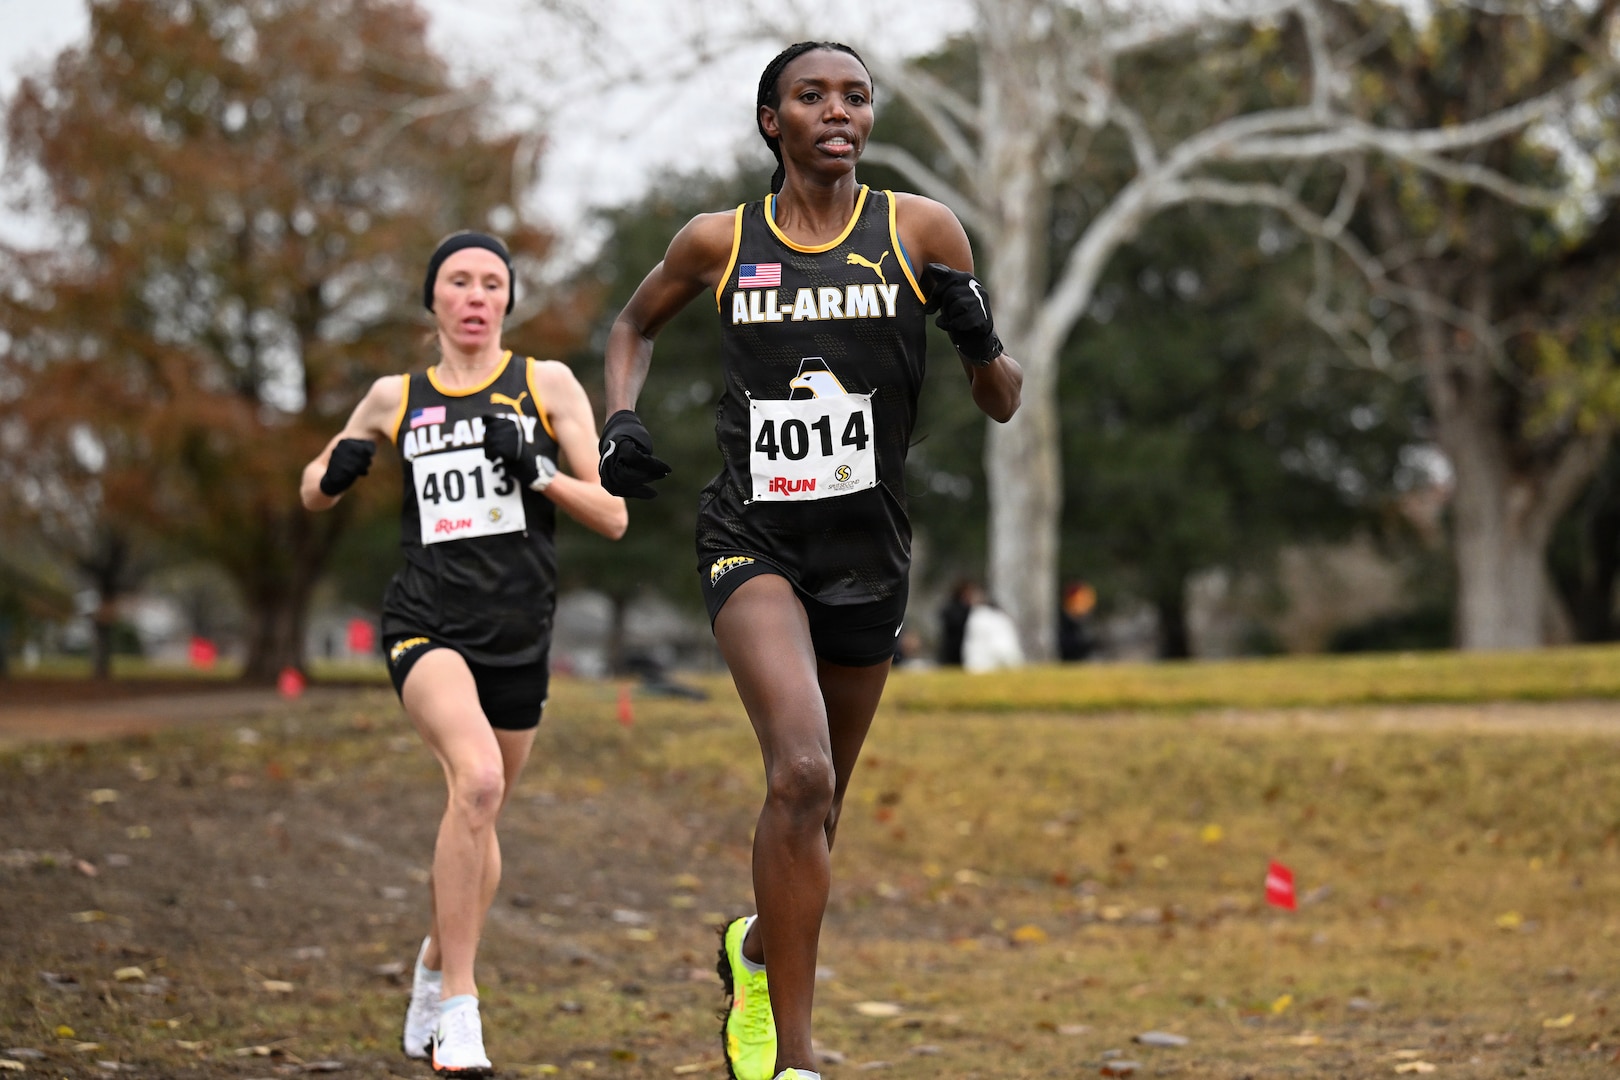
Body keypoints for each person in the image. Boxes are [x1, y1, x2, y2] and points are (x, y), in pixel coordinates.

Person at [596, 42, 1022, 1080]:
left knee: (817, 812)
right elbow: (631, 324)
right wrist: (618, 420)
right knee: (798, 772)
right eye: (812, 96)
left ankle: (753, 951)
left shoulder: (920, 230)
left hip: (867, 554)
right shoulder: (721, 240)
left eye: (856, 97)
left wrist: (976, 337)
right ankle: (792, 1061)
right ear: (770, 120)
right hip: (754, 537)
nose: (838, 111)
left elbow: (1002, 399)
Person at [299, 231, 627, 1077]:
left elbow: (613, 513)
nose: (476, 295)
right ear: (433, 302)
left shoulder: (544, 385)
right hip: (426, 624)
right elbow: (311, 483)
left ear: (508, 301)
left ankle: (432, 967)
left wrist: (540, 470)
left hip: (519, 635)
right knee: (476, 781)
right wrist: (336, 472)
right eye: (458, 281)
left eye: (491, 282)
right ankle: (461, 1013)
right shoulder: (394, 395)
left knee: (479, 824)